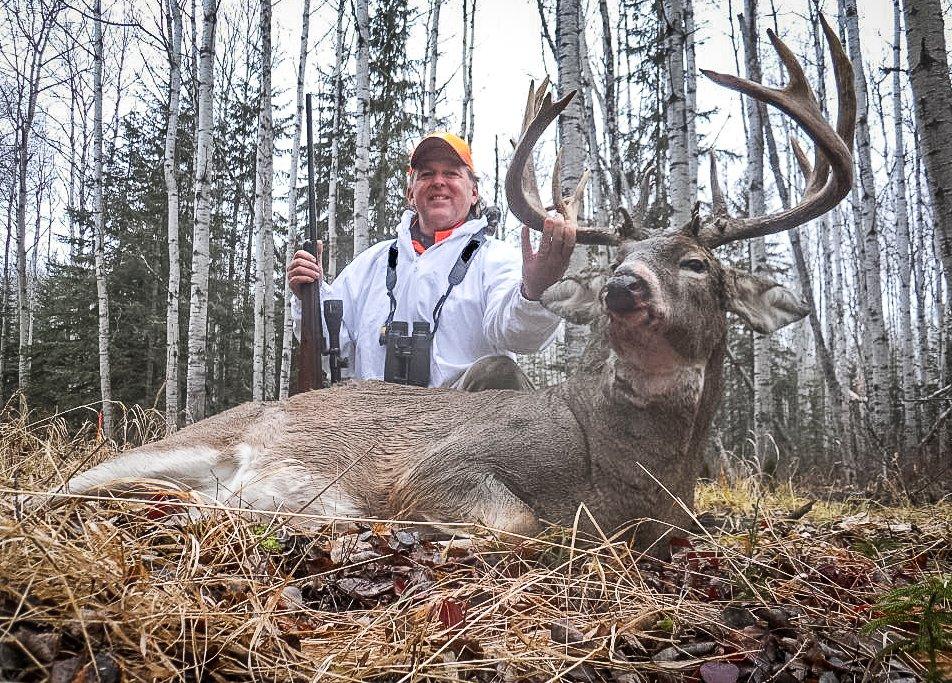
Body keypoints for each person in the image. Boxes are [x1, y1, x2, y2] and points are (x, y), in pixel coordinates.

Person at [287, 131, 576, 390]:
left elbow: (521, 337)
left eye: (451, 173)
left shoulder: (496, 259)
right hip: (376, 426)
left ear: (474, 193)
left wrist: (535, 293)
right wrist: (309, 296)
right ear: (410, 193)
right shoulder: (372, 263)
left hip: (462, 431)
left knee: (499, 373)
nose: (438, 182)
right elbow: (334, 349)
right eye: (425, 174)